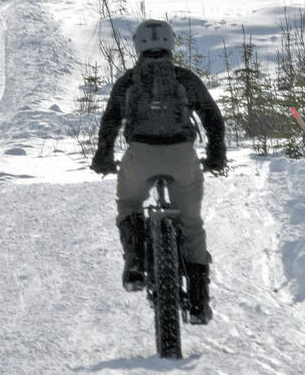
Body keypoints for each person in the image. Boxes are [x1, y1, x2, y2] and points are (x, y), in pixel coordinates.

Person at [91, 19, 227, 324]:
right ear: (170, 45)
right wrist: (216, 157)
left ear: (138, 46)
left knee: (129, 204)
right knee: (191, 224)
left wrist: (103, 158)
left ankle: (136, 262)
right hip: (181, 155)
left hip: (140, 155)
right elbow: (213, 120)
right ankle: (198, 302)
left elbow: (110, 122)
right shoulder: (185, 79)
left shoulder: (128, 81)